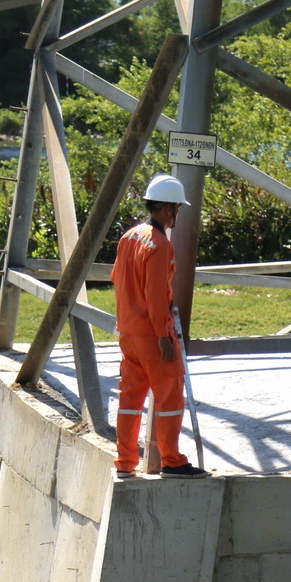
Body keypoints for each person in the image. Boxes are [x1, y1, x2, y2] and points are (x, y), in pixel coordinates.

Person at [110, 175, 208, 480]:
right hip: (152, 335)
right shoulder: (160, 245)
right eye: (177, 207)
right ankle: (172, 461)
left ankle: (125, 463)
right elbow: (156, 296)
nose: (178, 212)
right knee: (168, 397)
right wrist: (164, 335)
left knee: (130, 397)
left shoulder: (130, 237)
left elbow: (117, 279)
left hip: (128, 332)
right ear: (168, 209)